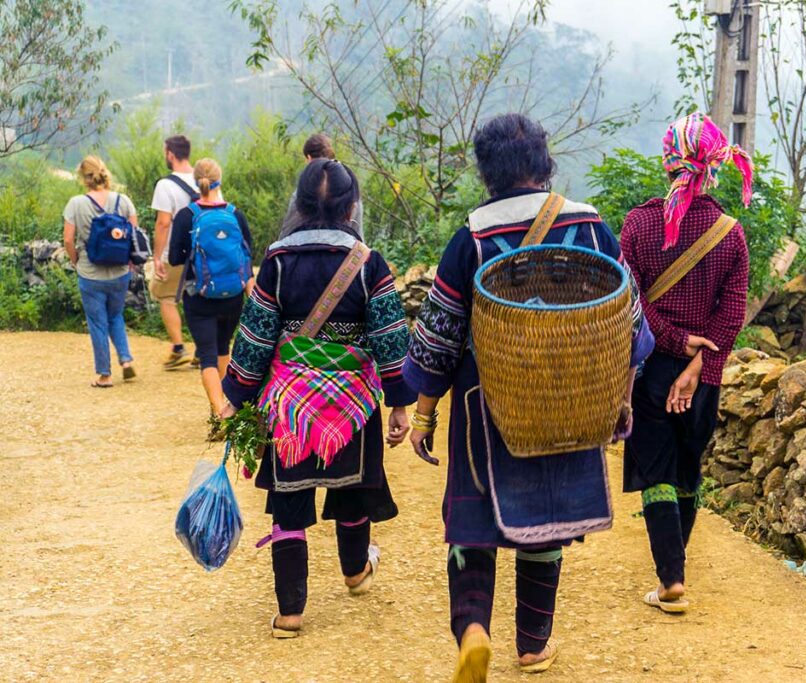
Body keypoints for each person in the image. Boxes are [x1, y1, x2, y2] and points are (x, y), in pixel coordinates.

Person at [403, 113, 654, 681]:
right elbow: (631, 326)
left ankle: (473, 631)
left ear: (486, 172)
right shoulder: (591, 227)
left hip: (485, 401)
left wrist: (423, 414)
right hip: (571, 398)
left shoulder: (470, 238)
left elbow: (441, 337)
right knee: (547, 517)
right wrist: (616, 394)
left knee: (473, 522)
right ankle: (534, 645)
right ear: (544, 164)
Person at [219, 159, 414, 638]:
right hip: (353, 404)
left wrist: (235, 396)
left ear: (300, 205)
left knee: (288, 501)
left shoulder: (278, 262)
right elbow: (390, 338)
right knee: (351, 490)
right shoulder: (369, 264)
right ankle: (355, 571)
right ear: (351, 206)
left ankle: (290, 612)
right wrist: (400, 404)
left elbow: (256, 338)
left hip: (289, 404)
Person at [620, 112, 751, 613]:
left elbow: (631, 301)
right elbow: (732, 311)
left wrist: (674, 343)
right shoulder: (730, 234)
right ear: (713, 166)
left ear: (668, 160)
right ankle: (676, 567)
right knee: (687, 468)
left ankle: (671, 580)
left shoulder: (639, 223)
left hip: (652, 367)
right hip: (705, 375)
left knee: (657, 470)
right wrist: (698, 367)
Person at [167, 158, 253, 429]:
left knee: (206, 355)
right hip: (233, 296)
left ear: (197, 181)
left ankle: (219, 413)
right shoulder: (235, 214)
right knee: (223, 348)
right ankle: (228, 405)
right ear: (220, 179)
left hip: (200, 296)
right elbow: (248, 253)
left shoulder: (187, 216)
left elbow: (174, 259)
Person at [62, 156, 138, 388]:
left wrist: (76, 261)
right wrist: (131, 262)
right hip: (119, 272)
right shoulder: (123, 200)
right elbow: (134, 235)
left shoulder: (76, 203)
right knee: (115, 316)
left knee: (97, 322)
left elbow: (68, 239)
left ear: (83, 178)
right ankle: (126, 361)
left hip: (90, 273)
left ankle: (104, 374)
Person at [151, 134, 200, 369]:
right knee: (198, 297)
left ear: (170, 154)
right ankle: (202, 348)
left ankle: (179, 347)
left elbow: (163, 223)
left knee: (166, 297)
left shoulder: (166, 185)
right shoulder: (205, 178)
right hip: (203, 251)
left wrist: (157, 256)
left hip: (175, 251)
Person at [284, 133, 363, 235]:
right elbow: (358, 235)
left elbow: (287, 231)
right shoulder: (350, 189)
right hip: (344, 248)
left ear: (308, 158)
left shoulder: (302, 192)